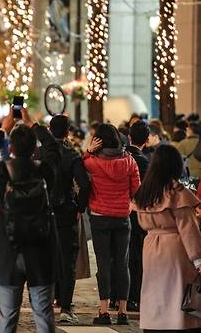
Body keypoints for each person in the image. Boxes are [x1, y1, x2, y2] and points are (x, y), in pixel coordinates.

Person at [0, 109, 62, 333]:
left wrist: (3, 129)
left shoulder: (1, 173)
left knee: (7, 317)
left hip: (9, 249)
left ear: (11, 148)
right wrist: (34, 125)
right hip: (41, 249)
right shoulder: (44, 171)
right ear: (35, 147)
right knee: (44, 312)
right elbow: (54, 150)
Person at [132, 144, 201, 331]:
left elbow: (138, 221)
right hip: (176, 248)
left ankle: (154, 324)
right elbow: (188, 229)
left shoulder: (144, 191)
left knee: (155, 291)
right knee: (178, 292)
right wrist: (198, 259)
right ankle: (177, 325)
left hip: (151, 247)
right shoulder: (177, 192)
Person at [83, 123, 140, 325]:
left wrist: (88, 151)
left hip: (100, 217)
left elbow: (79, 167)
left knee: (104, 264)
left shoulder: (92, 163)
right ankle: (123, 312)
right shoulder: (129, 161)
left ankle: (104, 310)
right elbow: (136, 191)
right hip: (122, 218)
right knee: (123, 265)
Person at [47, 115, 91, 324]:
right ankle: (65, 307)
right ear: (67, 132)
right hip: (66, 210)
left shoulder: (41, 152)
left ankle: (46, 303)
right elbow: (85, 184)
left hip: (44, 212)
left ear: (49, 129)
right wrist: (79, 208)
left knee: (47, 257)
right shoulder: (72, 155)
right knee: (68, 260)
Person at [125, 120, 150, 312]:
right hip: (136, 213)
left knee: (117, 256)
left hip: (116, 209)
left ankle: (118, 297)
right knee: (135, 256)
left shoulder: (120, 155)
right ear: (147, 140)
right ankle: (133, 296)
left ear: (129, 137)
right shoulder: (143, 161)